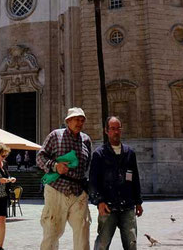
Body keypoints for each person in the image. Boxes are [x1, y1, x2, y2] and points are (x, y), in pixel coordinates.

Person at [37, 107, 93, 250]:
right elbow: (40, 157)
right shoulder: (55, 135)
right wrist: (55, 166)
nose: (79, 123)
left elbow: (87, 164)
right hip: (57, 189)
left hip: (78, 191)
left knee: (83, 231)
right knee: (51, 232)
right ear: (68, 121)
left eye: (82, 120)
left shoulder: (86, 140)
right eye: (76, 119)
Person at [89, 116, 143, 250]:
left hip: (128, 206)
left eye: (118, 128)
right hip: (108, 207)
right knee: (102, 243)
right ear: (106, 131)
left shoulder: (130, 153)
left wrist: (138, 202)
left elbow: (135, 178)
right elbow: (93, 181)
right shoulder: (99, 154)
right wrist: (99, 202)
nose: (116, 132)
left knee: (131, 243)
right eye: (112, 129)